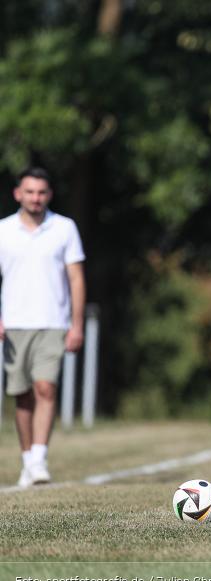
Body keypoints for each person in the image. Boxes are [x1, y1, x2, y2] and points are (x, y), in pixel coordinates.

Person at [0, 167, 85, 487]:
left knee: (45, 387)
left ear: (49, 195)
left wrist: (76, 324)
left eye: (41, 192)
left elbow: (76, 278)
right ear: (17, 194)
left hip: (53, 322)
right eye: (30, 192)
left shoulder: (64, 228)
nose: (36, 198)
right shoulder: (3, 230)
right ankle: (26, 460)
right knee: (21, 395)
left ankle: (39, 459)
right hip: (15, 324)